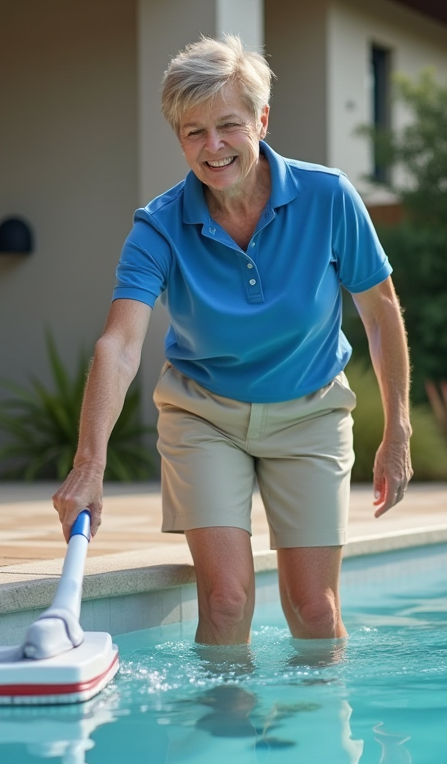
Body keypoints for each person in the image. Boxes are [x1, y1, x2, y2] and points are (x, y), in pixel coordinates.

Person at [53, 34, 412, 646]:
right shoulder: (159, 226)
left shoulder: (329, 198)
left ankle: (316, 740)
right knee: (223, 603)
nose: (212, 147)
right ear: (179, 138)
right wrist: (90, 463)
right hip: (205, 415)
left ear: (261, 120)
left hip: (311, 411)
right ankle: (223, 736)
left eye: (228, 126)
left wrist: (397, 429)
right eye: (194, 132)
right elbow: (120, 345)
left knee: (317, 612)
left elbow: (379, 315)